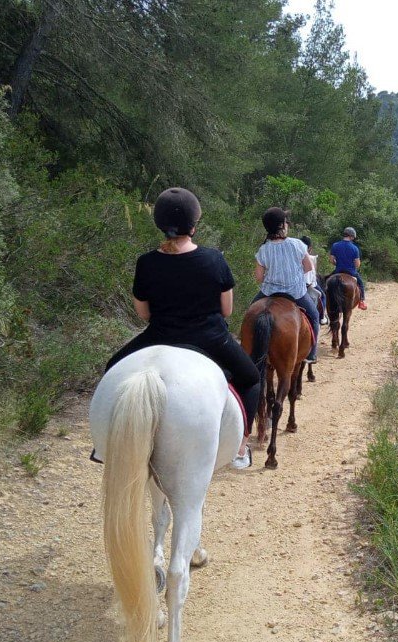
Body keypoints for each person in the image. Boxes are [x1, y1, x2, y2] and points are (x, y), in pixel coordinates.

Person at [105, 187, 261, 469]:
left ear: (160, 225)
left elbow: (143, 313)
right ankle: (240, 447)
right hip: (210, 339)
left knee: (112, 368)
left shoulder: (147, 262)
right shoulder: (214, 259)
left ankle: (104, 446)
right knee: (251, 379)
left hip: (159, 337)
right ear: (194, 224)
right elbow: (226, 310)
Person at [252, 208, 320, 363]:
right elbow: (309, 268)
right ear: (282, 226)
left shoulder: (263, 249)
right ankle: (311, 354)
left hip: (269, 292)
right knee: (314, 316)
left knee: (251, 314)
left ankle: (247, 349)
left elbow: (259, 277)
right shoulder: (297, 244)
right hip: (295, 292)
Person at [328, 226, 367, 310]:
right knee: (360, 284)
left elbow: (331, 260)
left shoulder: (335, 245)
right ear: (351, 236)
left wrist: (337, 263)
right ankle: (361, 301)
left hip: (338, 271)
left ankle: (324, 301)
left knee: (326, 282)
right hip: (351, 272)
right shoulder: (354, 248)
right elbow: (357, 264)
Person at [301, 235, 329, 325]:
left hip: (296, 285)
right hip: (309, 285)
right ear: (310, 248)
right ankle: (322, 317)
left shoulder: (295, 257)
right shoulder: (312, 258)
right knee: (323, 295)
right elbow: (314, 274)